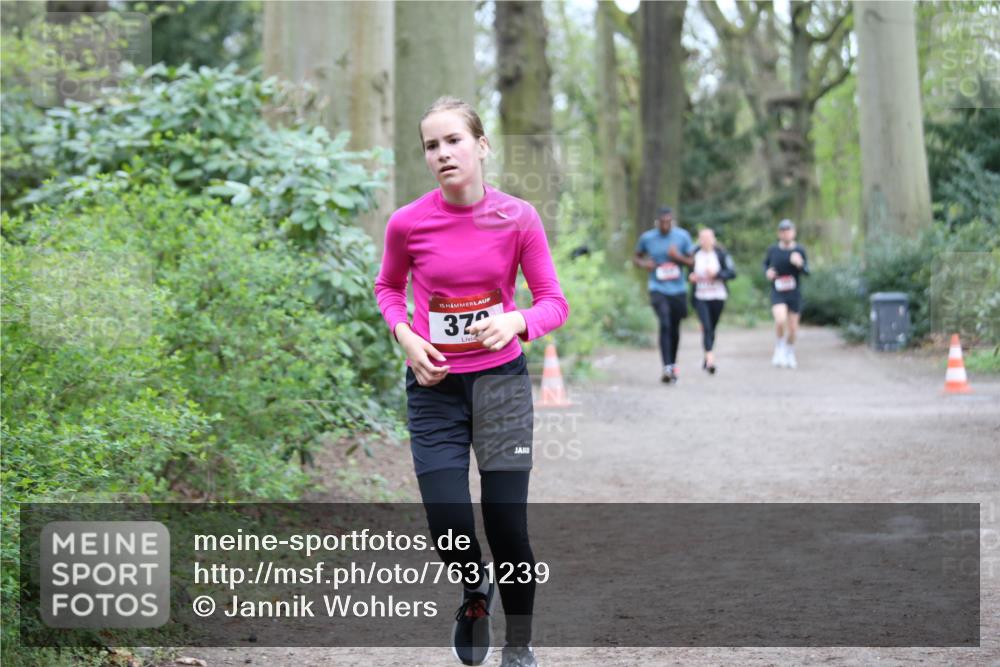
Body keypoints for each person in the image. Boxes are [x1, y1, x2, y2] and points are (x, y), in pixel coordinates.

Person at [374, 96, 568, 667]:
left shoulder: (518, 217)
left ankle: (519, 646)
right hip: (435, 390)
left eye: (453, 141)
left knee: (507, 525)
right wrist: (405, 336)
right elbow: (388, 290)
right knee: (448, 523)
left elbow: (554, 302)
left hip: (501, 386)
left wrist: (517, 320)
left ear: (481, 146)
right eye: (431, 146)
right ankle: (474, 589)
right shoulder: (408, 222)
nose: (442, 154)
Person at [633, 206, 694, 383]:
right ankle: (666, 367)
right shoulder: (647, 238)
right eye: (663, 222)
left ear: (672, 221)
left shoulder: (682, 236)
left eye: (669, 222)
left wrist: (677, 257)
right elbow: (636, 258)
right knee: (665, 323)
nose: (666, 225)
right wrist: (645, 264)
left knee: (674, 327)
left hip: (678, 290)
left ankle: (672, 365)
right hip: (657, 288)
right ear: (657, 222)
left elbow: (692, 262)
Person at [763, 219, 809, 369]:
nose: (786, 234)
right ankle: (779, 347)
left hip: (794, 293)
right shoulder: (773, 250)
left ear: (793, 232)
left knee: (794, 329)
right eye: (783, 231)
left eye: (788, 231)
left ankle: (790, 351)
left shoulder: (799, 250)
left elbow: (807, 271)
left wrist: (799, 264)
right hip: (778, 291)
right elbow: (765, 264)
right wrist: (767, 272)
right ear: (779, 233)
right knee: (780, 319)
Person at [688, 228, 736, 374]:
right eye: (703, 238)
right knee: (706, 327)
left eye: (709, 238)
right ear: (699, 240)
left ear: (714, 239)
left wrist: (717, 274)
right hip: (700, 296)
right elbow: (687, 274)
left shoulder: (721, 254)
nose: (706, 241)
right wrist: (691, 277)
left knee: (712, 328)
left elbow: (732, 273)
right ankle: (710, 360)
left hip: (718, 296)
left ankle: (707, 355)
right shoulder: (694, 254)